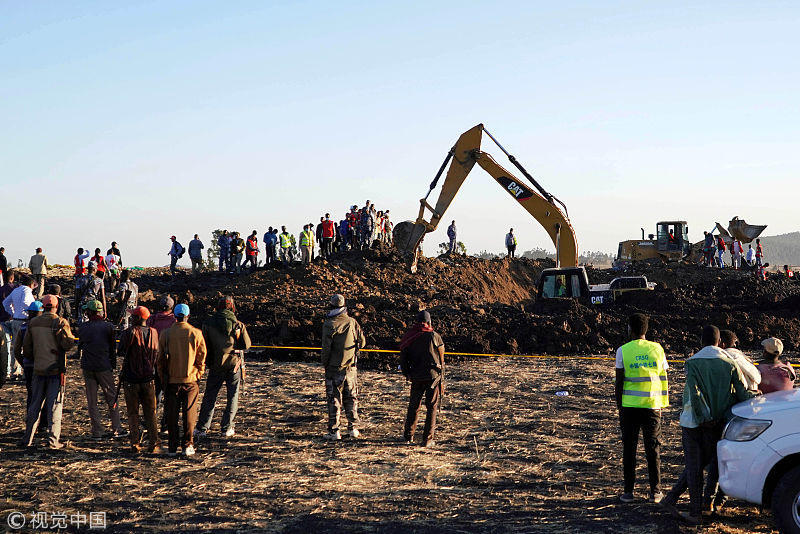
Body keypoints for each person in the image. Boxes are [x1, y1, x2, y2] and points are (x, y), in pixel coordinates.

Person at [661, 325, 754, 524]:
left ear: (700, 341)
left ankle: (689, 509)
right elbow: (742, 393)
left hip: (693, 422)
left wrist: (703, 417)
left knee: (694, 466)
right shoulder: (729, 363)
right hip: (716, 424)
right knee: (705, 464)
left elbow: (694, 394)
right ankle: (683, 503)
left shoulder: (692, 363)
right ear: (720, 342)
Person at [615, 313, 668, 504]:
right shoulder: (658, 349)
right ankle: (656, 492)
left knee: (629, 450)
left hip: (629, 408)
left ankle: (628, 492)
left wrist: (619, 407)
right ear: (646, 330)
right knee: (653, 449)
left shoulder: (623, 351)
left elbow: (619, 382)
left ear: (630, 328)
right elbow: (663, 379)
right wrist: (661, 404)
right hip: (652, 407)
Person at [21, 294, 76, 449]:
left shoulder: (33, 323)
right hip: (55, 370)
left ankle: (28, 439)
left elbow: (27, 349)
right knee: (55, 407)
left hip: (38, 369)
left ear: (43, 307)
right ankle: (53, 441)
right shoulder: (60, 322)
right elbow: (68, 344)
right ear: (56, 306)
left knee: (34, 405)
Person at [196, 296, 251, 439]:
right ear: (232, 307)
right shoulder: (238, 324)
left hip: (216, 365)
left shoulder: (208, 323)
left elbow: (205, 345)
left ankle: (202, 427)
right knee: (232, 396)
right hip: (233, 365)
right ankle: (227, 427)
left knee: (210, 396)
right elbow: (246, 345)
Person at [158, 303, 206, 457]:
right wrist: (199, 373)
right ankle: (188, 445)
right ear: (188, 316)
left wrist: (162, 376)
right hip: (191, 380)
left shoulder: (166, 334)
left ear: (175, 316)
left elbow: (160, 359)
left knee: (171, 414)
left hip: (171, 380)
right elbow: (202, 356)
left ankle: (172, 447)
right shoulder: (196, 333)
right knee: (189, 414)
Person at [78, 300, 125, 439]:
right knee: (112, 398)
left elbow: (81, 344)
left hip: (88, 366)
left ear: (89, 312)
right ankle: (116, 428)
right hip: (104, 366)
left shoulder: (84, 327)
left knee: (92, 401)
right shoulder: (108, 327)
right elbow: (112, 348)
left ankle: (97, 431)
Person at [321, 294, 365, 440]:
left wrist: (325, 363)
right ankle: (353, 428)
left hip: (334, 368)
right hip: (350, 368)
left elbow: (326, 349)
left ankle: (334, 432)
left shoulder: (329, 324)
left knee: (334, 399)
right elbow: (362, 342)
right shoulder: (352, 322)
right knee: (351, 398)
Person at [119, 306, 161, 453]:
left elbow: (120, 351)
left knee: (133, 413)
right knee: (151, 412)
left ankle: (135, 444)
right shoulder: (154, 333)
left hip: (131, 379)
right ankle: (154, 444)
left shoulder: (128, 333)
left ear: (137, 318)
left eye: (133, 316)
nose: (130, 319)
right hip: (149, 379)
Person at [400, 310, 445, 447]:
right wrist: (442, 378)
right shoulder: (434, 336)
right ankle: (428, 439)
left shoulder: (410, 336)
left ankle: (409, 436)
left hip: (416, 376)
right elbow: (442, 359)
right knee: (431, 407)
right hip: (433, 377)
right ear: (429, 321)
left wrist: (407, 373)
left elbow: (403, 357)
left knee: (414, 406)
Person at [147, 295, 177, 433]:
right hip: (169, 362)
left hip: (153, 361)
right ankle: (166, 423)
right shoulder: (174, 321)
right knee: (169, 395)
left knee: (155, 394)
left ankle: (151, 422)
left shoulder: (152, 320)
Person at [13, 301, 44, 414]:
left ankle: (30, 419)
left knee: (31, 393)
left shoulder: (23, 328)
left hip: (29, 364)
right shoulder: (46, 328)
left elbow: (16, 350)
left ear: (30, 313)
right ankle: (43, 424)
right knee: (44, 393)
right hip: (44, 365)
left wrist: (23, 363)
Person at [0, 271, 17, 379]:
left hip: (2, 320)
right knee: (16, 346)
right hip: (13, 319)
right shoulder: (16, 289)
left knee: (6, 347)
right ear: (12, 278)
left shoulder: (0, 289)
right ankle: (15, 371)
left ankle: (7, 371)